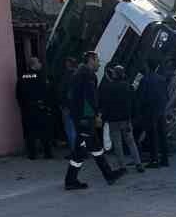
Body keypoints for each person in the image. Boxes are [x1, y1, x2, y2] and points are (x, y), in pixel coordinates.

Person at [63, 52, 121, 190]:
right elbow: (90, 99)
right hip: (85, 119)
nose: (99, 64)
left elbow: (72, 96)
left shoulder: (77, 74)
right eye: (97, 61)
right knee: (80, 151)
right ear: (90, 60)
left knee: (95, 147)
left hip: (80, 117)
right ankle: (70, 181)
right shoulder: (88, 75)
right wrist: (96, 116)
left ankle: (109, 175)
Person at [98, 64, 144, 173]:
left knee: (117, 144)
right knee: (131, 142)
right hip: (126, 120)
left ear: (114, 74)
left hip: (113, 120)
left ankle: (123, 167)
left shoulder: (108, 87)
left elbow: (105, 104)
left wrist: (103, 117)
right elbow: (132, 102)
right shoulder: (127, 86)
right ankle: (138, 164)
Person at [15, 58, 54, 159]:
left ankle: (32, 154)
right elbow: (47, 92)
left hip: (27, 109)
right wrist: (48, 106)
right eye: (39, 62)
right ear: (34, 65)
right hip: (40, 108)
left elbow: (18, 94)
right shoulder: (41, 76)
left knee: (30, 132)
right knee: (44, 131)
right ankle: (47, 153)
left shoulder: (22, 76)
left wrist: (23, 106)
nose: (41, 64)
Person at [138, 61, 170, 168]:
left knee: (152, 135)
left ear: (147, 67)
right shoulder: (162, 79)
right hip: (161, 110)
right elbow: (166, 95)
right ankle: (165, 159)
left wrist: (140, 111)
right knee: (162, 135)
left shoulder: (144, 80)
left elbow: (141, 97)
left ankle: (154, 160)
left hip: (150, 110)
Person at [60, 57, 79, 152]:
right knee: (77, 129)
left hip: (68, 106)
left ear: (68, 64)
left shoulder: (67, 76)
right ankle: (80, 150)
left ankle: (74, 151)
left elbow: (63, 91)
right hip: (77, 106)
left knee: (70, 129)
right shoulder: (79, 74)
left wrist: (63, 104)